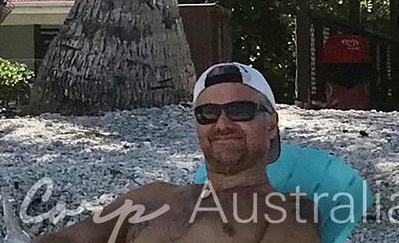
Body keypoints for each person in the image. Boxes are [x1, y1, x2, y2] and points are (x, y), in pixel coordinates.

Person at [34, 63, 320, 243]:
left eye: (240, 111)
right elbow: (71, 237)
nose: (222, 124)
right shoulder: (151, 196)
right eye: (207, 114)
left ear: (271, 125)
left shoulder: (286, 210)